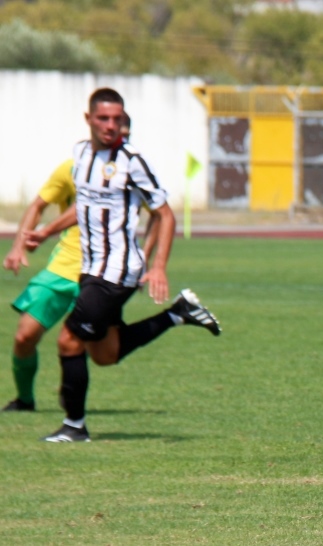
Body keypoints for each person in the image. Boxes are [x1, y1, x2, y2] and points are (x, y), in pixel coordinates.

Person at [28, 88, 221, 442]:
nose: (111, 125)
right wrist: (44, 233)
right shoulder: (81, 155)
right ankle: (178, 313)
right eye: (103, 118)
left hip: (117, 273)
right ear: (89, 119)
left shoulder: (132, 161)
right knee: (104, 353)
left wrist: (158, 266)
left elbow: (165, 215)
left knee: (69, 340)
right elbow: (82, 206)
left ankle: (74, 427)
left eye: (117, 119)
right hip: (91, 269)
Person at [1, 115, 146, 412]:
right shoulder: (73, 168)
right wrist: (19, 246)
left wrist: (149, 262)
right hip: (62, 269)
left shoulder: (130, 171)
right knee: (24, 336)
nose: (118, 133)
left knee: (101, 354)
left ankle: (73, 418)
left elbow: (159, 214)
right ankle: (25, 400)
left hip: (104, 273)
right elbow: (39, 205)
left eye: (124, 131)